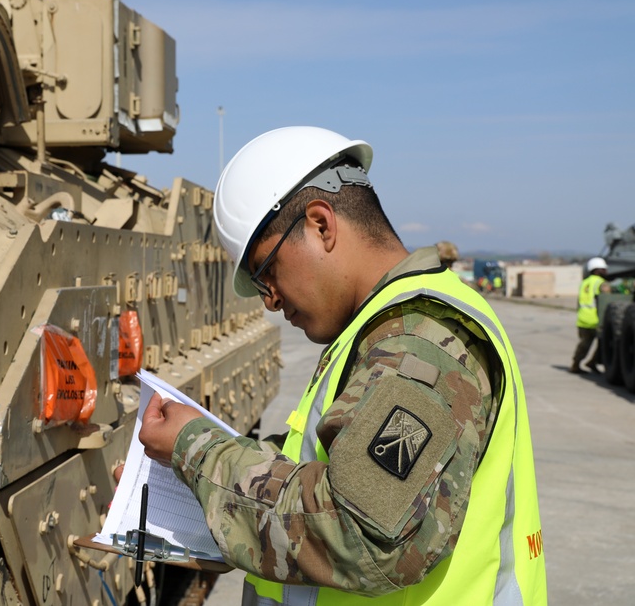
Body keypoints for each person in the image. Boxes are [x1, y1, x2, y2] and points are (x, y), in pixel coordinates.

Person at [138, 126, 546, 604]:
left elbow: (362, 538)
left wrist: (200, 451)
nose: (270, 301)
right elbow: (333, 464)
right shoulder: (383, 330)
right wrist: (182, 471)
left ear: (321, 224)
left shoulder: (421, 342)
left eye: (266, 272)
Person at [571, 257, 610, 374]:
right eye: (603, 269)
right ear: (598, 270)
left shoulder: (584, 282)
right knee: (603, 344)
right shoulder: (600, 283)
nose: (606, 272)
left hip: (582, 319)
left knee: (584, 344)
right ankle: (583, 364)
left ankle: (581, 363)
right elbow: (605, 300)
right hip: (594, 320)